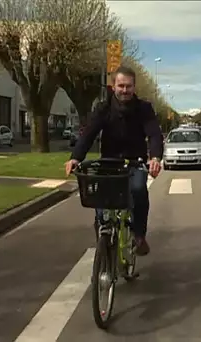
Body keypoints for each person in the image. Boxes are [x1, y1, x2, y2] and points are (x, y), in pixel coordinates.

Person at [64, 66, 163, 256]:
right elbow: (89, 134)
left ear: (134, 87)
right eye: (121, 86)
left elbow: (154, 135)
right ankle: (103, 237)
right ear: (113, 86)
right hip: (109, 162)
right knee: (101, 204)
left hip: (136, 162)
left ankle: (139, 235)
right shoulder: (103, 108)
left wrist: (155, 158)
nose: (125, 90)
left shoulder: (144, 108)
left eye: (129, 86)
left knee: (138, 190)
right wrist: (76, 157)